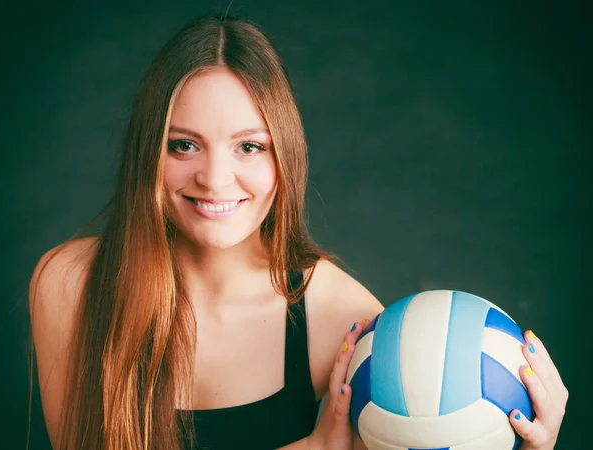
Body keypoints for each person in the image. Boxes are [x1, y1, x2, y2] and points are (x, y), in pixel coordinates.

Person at [28, 13, 568, 450]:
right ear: (148, 151)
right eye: (183, 144)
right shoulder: (70, 284)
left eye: (249, 146)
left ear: (284, 155)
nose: (215, 180)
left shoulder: (343, 321)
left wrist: (526, 445)